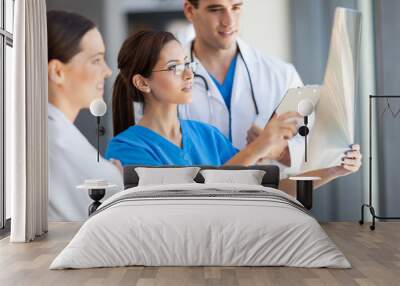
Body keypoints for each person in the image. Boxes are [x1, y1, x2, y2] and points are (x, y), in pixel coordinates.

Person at [105, 31, 360, 197]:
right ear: (142, 83)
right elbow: (192, 204)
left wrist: (332, 169)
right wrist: (259, 147)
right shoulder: (126, 148)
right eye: (174, 67)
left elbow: (267, 189)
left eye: (186, 63)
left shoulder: (207, 135)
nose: (188, 74)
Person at [178, 0, 362, 178]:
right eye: (215, 9)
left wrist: (278, 151)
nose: (229, 21)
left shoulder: (280, 74)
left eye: (235, 7)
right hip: (195, 201)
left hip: (266, 200)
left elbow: (313, 151)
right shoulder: (169, 77)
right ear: (189, 11)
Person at [47, 11, 123, 221]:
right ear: (58, 72)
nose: (107, 71)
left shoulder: (52, 132)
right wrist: (115, 177)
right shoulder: (52, 141)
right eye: (96, 60)